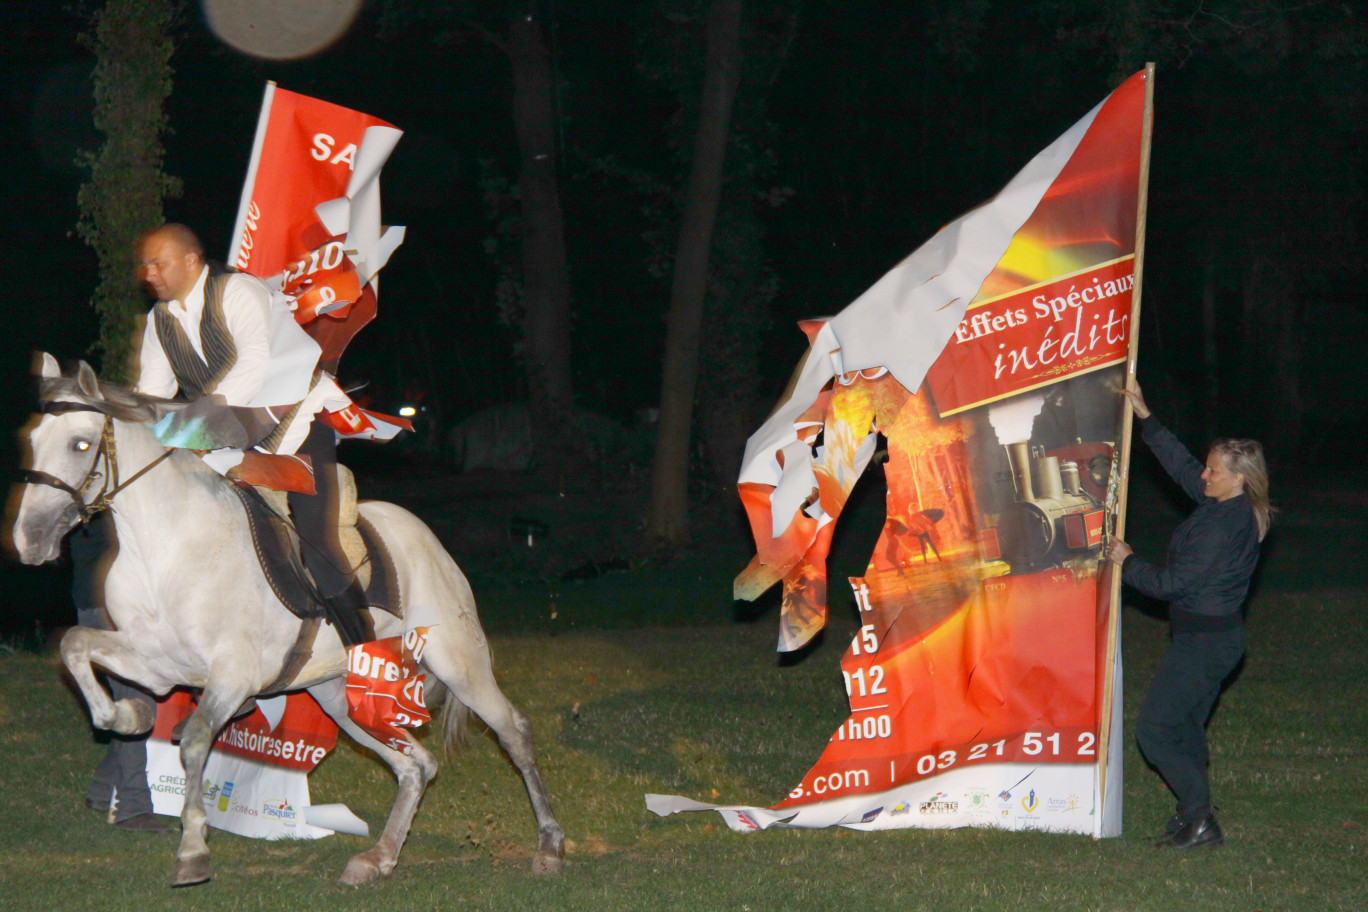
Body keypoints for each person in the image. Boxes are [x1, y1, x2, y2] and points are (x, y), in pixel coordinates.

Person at [134, 223, 369, 646]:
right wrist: (133, 427)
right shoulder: (159, 320)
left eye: (158, 263)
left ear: (192, 261)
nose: (148, 273)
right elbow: (153, 389)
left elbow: (255, 363)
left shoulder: (238, 292)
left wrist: (196, 424)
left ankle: (367, 653)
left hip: (295, 426)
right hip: (225, 436)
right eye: (145, 264)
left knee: (317, 542)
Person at [1109, 383, 1272, 850]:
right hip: (1212, 640)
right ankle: (1193, 817)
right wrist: (1146, 418)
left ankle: (1200, 819)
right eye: (1208, 465)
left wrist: (1127, 560)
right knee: (1184, 727)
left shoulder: (1223, 527)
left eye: (1214, 470)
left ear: (1238, 478)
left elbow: (1169, 586)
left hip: (1205, 645)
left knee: (1155, 729)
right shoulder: (1225, 502)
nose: (1204, 474)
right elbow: (1182, 467)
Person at [72, 514, 172, 833]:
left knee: (131, 701)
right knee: (136, 706)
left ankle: (102, 789)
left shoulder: (96, 501)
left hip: (101, 605)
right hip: (111, 610)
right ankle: (132, 808)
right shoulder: (107, 505)